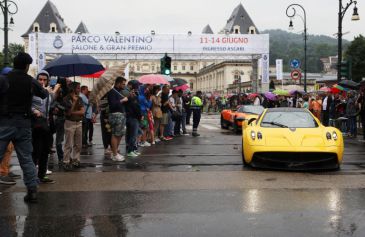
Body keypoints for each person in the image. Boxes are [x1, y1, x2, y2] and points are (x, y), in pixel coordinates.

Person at [0, 52, 49, 203]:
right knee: (27, 159)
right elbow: (44, 94)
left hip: (5, 123)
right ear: (27, 66)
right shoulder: (30, 81)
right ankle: (32, 191)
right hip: (24, 124)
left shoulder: (4, 79)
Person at [31, 70, 60, 183]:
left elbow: (51, 104)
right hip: (35, 124)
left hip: (46, 125)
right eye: (40, 79)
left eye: (44, 80)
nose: (42, 82)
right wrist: (34, 110)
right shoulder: (32, 91)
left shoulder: (48, 92)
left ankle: (42, 175)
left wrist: (53, 93)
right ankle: (32, 176)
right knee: (35, 151)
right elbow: (27, 105)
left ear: (48, 81)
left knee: (45, 151)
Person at [62, 82, 85, 171]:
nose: (79, 90)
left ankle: (76, 160)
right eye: (78, 88)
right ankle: (66, 161)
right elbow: (67, 113)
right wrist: (74, 103)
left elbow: (82, 111)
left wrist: (73, 112)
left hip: (79, 122)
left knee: (78, 144)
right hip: (70, 123)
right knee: (68, 144)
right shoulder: (66, 99)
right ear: (73, 89)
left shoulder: (80, 98)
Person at [108, 77, 128, 161]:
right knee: (115, 134)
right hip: (116, 115)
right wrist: (122, 100)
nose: (124, 85)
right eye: (123, 84)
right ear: (118, 83)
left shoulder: (118, 92)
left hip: (121, 115)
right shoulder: (112, 92)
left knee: (120, 134)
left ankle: (114, 152)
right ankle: (115, 154)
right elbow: (112, 105)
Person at [124, 80, 142, 157]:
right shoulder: (129, 94)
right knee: (133, 134)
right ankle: (130, 150)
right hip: (132, 116)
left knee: (133, 134)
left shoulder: (133, 93)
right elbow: (135, 106)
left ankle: (132, 149)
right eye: (137, 86)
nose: (138, 88)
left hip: (132, 116)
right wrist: (140, 115)